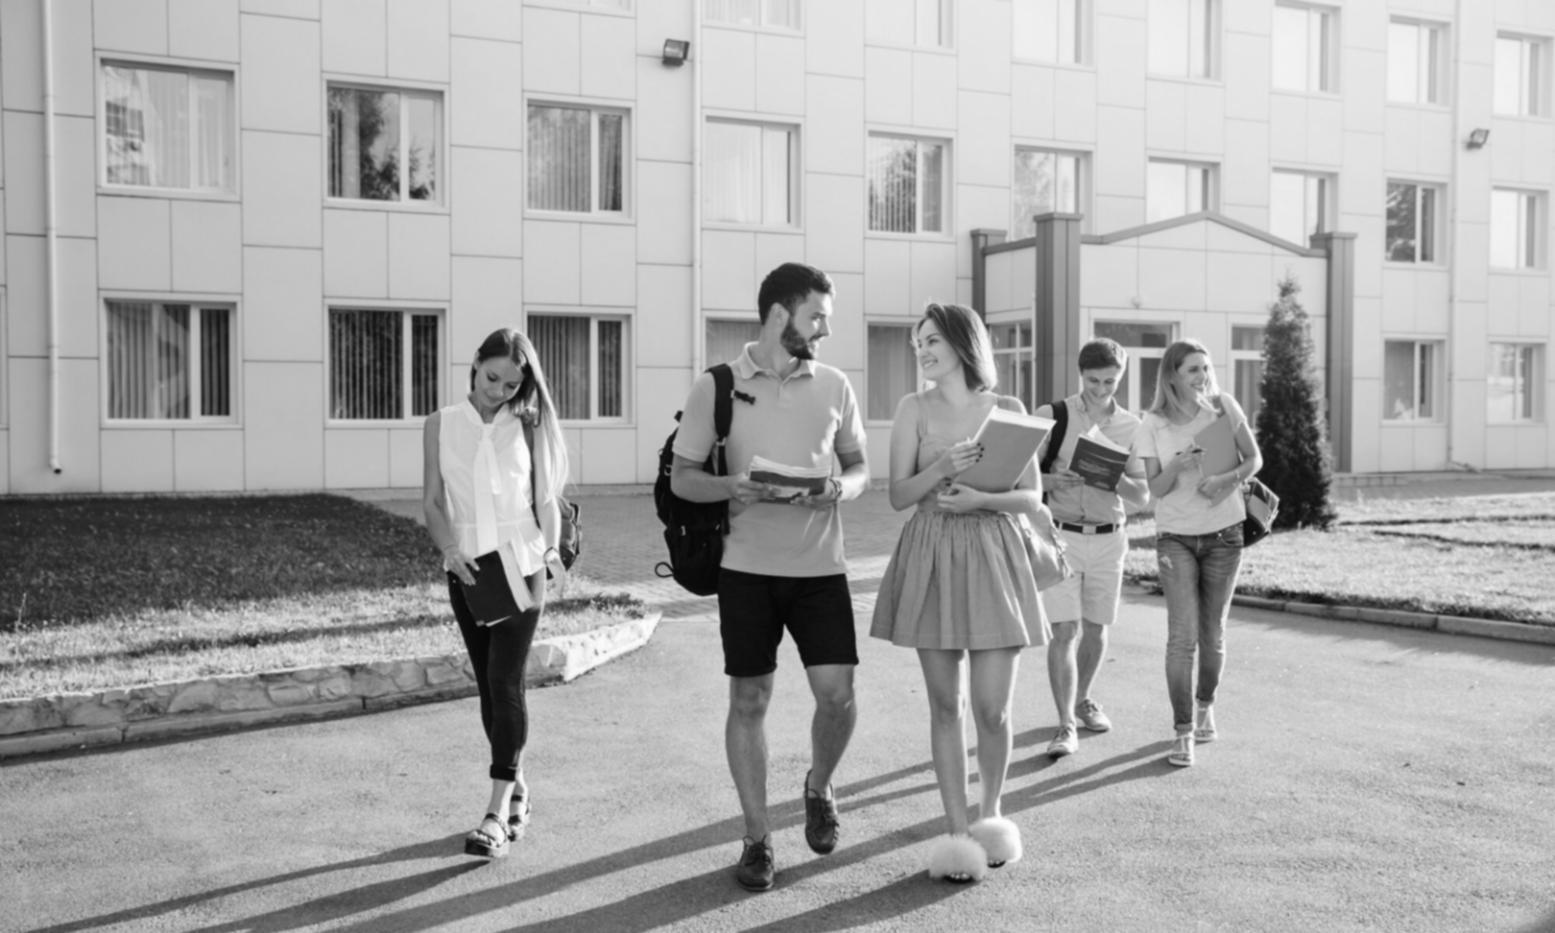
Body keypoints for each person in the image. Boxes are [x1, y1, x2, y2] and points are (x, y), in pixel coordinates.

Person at [670, 262, 869, 892]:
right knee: (749, 700)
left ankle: (819, 786)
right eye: (817, 317)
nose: (824, 331)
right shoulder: (717, 386)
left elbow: (860, 467)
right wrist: (734, 486)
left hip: (820, 570)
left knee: (837, 695)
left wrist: (839, 487)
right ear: (780, 313)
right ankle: (757, 838)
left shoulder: (835, 385)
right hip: (746, 571)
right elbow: (682, 477)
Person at [869, 302, 1049, 883]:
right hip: (933, 553)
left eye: (930, 341)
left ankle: (991, 817)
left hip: (996, 553)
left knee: (992, 709)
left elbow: (1032, 498)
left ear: (961, 343)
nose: (920, 351)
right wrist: (942, 465)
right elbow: (898, 495)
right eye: (916, 342)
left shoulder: (1009, 409)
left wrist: (982, 500)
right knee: (945, 705)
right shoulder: (911, 408)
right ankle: (954, 831)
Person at [421, 327, 570, 858]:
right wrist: (448, 549)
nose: (499, 390)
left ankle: (494, 814)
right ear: (475, 364)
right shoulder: (440, 424)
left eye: (511, 384)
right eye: (492, 378)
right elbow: (434, 502)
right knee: (488, 688)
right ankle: (520, 789)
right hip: (468, 570)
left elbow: (546, 499)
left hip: (522, 563)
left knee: (506, 680)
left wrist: (551, 553)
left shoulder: (527, 425)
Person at [1133, 339, 1263, 768]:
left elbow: (1254, 459)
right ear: (1172, 375)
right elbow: (1154, 489)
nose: (1202, 377)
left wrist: (1224, 480)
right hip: (1176, 538)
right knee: (1181, 639)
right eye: (1193, 370)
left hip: (1225, 534)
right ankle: (1182, 730)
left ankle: (1206, 704)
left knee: (1213, 633)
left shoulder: (1223, 407)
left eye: (1205, 369)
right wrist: (1181, 464)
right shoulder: (1151, 422)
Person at [1035, 338, 1150, 759]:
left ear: (1121, 377)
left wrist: (1109, 475)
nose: (1101, 389)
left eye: (1110, 381)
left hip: (1109, 537)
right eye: (1093, 380)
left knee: (1097, 627)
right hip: (1060, 536)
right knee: (1065, 629)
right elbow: (1016, 474)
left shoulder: (1133, 427)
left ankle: (1083, 698)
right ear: (1080, 374)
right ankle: (1065, 724)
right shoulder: (1052, 416)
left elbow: (1141, 496)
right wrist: (1051, 482)